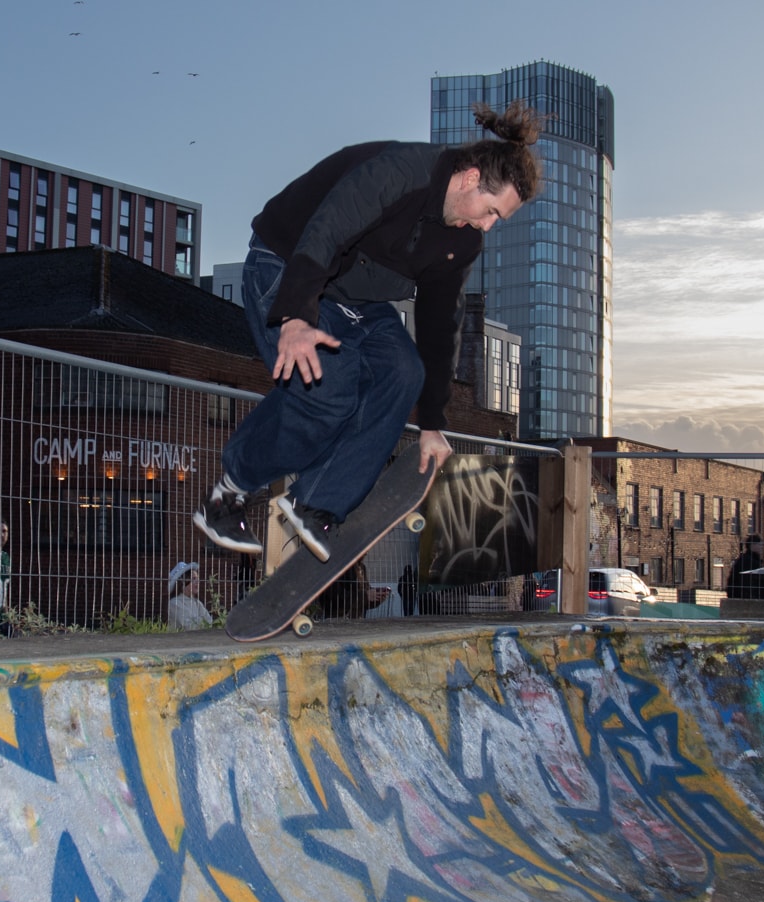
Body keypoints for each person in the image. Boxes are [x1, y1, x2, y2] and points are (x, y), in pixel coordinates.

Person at [193, 102, 543, 564]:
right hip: (288, 264)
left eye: (498, 220)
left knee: (403, 370)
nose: (486, 226)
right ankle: (226, 496)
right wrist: (296, 317)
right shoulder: (400, 171)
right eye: (491, 211)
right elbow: (327, 228)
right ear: (470, 178)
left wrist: (433, 424)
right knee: (326, 391)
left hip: (354, 296)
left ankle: (315, 503)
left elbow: (442, 321)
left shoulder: (463, 240)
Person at [167, 561, 213, 630]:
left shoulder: (197, 603)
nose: (197, 581)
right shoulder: (174, 603)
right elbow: (188, 626)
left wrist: (197, 621)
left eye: (197, 578)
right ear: (183, 582)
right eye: (193, 579)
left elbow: (209, 622)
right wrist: (201, 620)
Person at [725, 535, 764, 600]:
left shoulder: (749, 559)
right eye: (760, 545)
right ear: (752, 545)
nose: (762, 547)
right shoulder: (748, 561)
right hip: (744, 597)